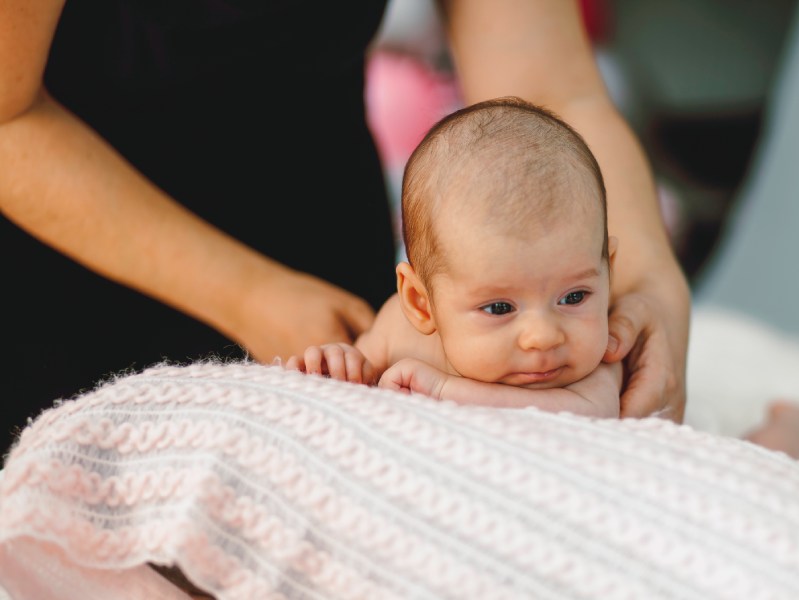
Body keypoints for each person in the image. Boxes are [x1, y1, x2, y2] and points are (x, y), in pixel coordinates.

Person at [0, 1, 689, 452]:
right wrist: (247, 294)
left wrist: (653, 283)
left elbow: (551, 93)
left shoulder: (392, 341)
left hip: (327, 272)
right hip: (60, 273)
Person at [286, 97, 799, 459]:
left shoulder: (596, 360)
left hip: (638, 470)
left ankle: (793, 425)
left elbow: (587, 418)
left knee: (744, 464)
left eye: (574, 295)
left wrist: (448, 390)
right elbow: (357, 376)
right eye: (499, 308)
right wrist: (340, 362)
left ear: (608, 271)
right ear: (421, 304)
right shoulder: (401, 336)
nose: (544, 336)